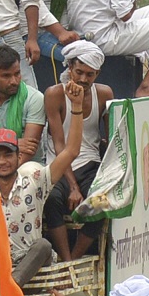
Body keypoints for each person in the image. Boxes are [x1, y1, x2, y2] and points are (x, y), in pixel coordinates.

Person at [0, 82, 85, 288]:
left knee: (43, 245)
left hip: (29, 263)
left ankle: (6, 290)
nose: (2, 161)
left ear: (19, 156)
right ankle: (8, 292)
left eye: (8, 155)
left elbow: (71, 152)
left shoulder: (35, 179)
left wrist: (77, 108)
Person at [42, 41, 113, 261]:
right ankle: (66, 259)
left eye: (89, 74)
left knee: (101, 202)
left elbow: (110, 139)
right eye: (79, 72)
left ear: (98, 73)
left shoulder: (104, 93)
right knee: (51, 200)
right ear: (69, 68)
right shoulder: (54, 94)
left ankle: (74, 257)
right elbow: (59, 145)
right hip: (60, 163)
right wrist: (73, 186)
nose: (83, 79)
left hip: (90, 163)